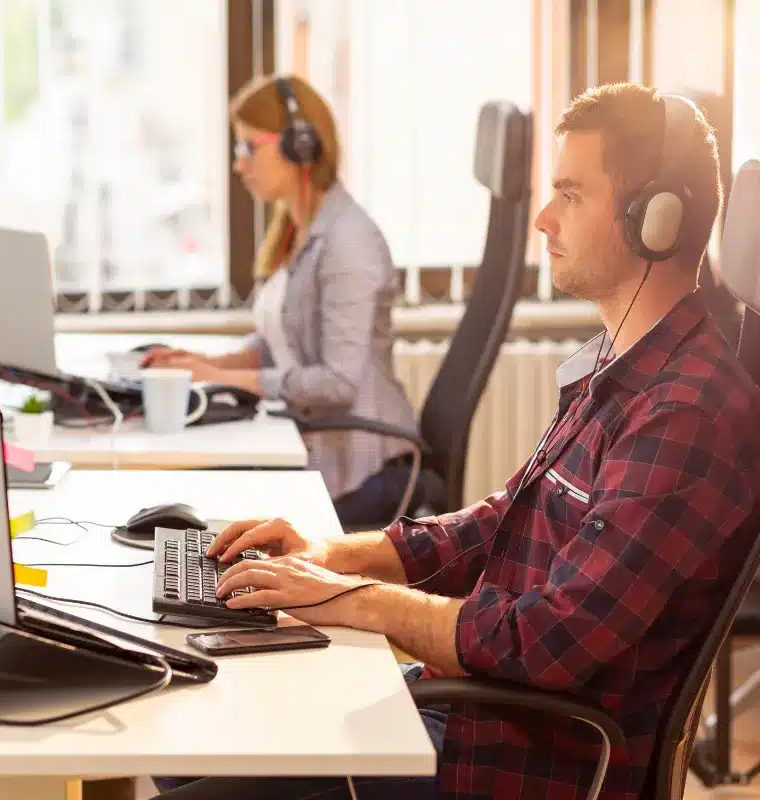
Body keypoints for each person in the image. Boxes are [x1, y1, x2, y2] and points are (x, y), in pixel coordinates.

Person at [152, 83, 760, 800]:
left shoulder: (686, 414)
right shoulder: (622, 365)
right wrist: (329, 553)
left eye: (570, 195)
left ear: (655, 220)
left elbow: (546, 640)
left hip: (521, 765)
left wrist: (352, 598)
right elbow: (499, 523)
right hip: (475, 716)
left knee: (204, 762)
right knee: (194, 730)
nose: (542, 219)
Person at [142, 74, 420, 527]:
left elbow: (337, 384)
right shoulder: (298, 229)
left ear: (299, 146)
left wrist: (220, 376)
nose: (239, 164)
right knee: (191, 508)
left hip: (363, 470)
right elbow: (279, 340)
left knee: (206, 520)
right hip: (317, 450)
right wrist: (204, 362)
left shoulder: (348, 241)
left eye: (250, 147)